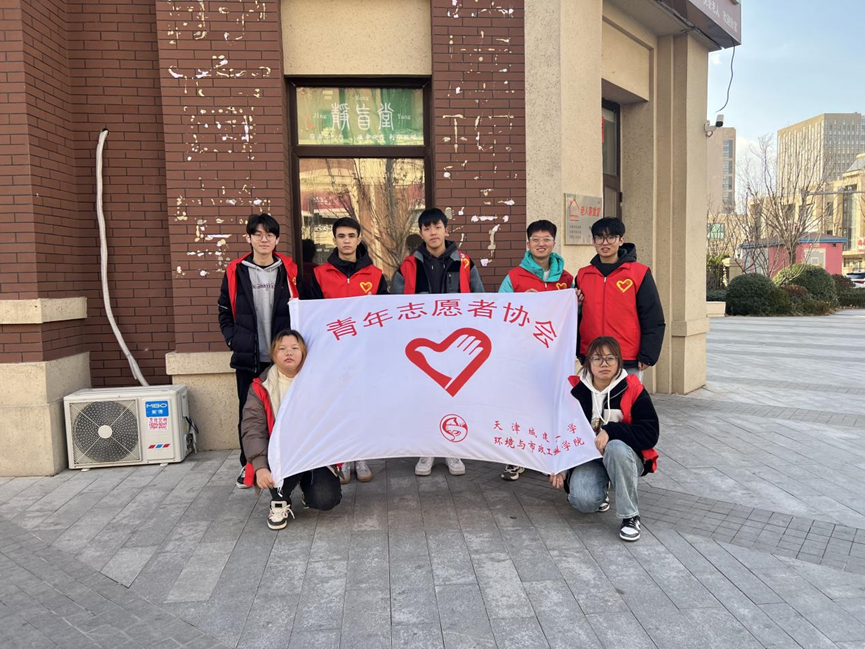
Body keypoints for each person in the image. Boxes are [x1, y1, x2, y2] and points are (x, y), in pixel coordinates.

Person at [392, 207, 485, 477]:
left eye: (437, 227)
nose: (433, 232)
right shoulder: (408, 266)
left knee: (455, 396)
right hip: (420, 344)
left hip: (456, 343)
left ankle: (453, 449)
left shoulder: (465, 263)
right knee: (424, 398)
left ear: (446, 229)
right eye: (427, 228)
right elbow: (394, 306)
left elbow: (480, 299)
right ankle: (427, 449)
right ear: (421, 233)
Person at [218, 213, 300, 489]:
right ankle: (250, 466)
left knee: (286, 409)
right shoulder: (236, 270)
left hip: (283, 358)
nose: (264, 239)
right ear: (249, 238)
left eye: (269, 234)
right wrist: (234, 341)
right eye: (258, 234)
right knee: (248, 412)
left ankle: (287, 461)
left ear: (277, 239)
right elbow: (224, 311)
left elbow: (303, 308)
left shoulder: (289, 270)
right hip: (248, 357)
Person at [549, 336, 659, 542]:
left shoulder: (633, 388)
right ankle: (601, 488)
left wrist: (611, 431)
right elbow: (562, 430)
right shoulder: (575, 391)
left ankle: (630, 516)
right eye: (597, 358)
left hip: (625, 456)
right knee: (583, 501)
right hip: (589, 458)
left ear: (619, 361)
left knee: (615, 447)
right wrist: (560, 465)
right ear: (588, 362)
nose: (604, 364)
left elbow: (650, 432)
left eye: (610, 358)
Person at [307, 217, 387, 484]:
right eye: (341, 236)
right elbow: (312, 315)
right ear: (334, 240)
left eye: (351, 236)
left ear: (359, 239)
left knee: (363, 404)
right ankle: (342, 458)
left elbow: (385, 315)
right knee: (337, 406)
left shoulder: (375, 275)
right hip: (332, 353)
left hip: (365, 353)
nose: (346, 241)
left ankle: (361, 456)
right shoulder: (319, 274)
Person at [241, 330, 342, 529]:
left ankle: (307, 487)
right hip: (280, 454)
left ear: (303, 353)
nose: (289, 352)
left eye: (295, 348)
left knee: (326, 499)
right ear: (273, 354)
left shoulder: (319, 382)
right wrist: (260, 466)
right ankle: (279, 501)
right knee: (279, 469)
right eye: (282, 348)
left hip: (314, 453)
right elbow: (253, 429)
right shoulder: (261, 387)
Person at [498, 219, 574, 481]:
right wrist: (522, 302)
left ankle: (547, 455)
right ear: (528, 243)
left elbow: (572, 317)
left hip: (554, 355)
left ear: (554, 242)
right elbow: (499, 312)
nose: (541, 244)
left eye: (546, 239)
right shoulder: (514, 277)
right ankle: (514, 458)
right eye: (536, 239)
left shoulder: (566, 279)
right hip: (522, 354)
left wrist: (578, 303)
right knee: (518, 404)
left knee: (550, 404)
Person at [575, 217, 665, 380]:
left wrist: (648, 354)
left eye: (611, 237)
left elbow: (653, 316)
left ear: (621, 240)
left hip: (627, 356)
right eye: (599, 238)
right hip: (592, 355)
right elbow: (577, 317)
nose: (605, 243)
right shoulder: (583, 275)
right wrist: (579, 351)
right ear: (593, 242)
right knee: (592, 397)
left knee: (627, 397)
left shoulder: (639, 273)